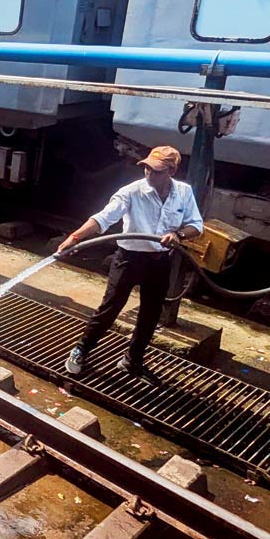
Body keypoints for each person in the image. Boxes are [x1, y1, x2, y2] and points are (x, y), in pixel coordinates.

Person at [58, 146, 203, 379]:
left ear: (172, 171)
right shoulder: (131, 192)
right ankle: (80, 350)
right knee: (109, 309)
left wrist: (178, 235)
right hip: (129, 259)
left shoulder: (184, 193)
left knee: (151, 314)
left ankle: (132, 360)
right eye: (146, 168)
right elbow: (103, 218)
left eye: (156, 171)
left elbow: (196, 225)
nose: (148, 173)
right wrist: (75, 237)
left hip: (159, 261)